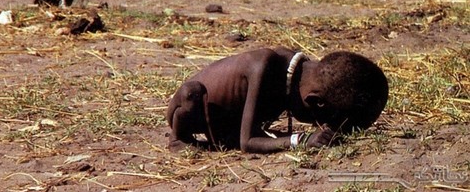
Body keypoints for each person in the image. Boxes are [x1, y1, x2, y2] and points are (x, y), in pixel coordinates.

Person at [166, 47, 389, 153]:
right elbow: (247, 143)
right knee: (190, 94)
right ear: (315, 102)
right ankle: (179, 140)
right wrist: (300, 140)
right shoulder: (263, 68)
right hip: (192, 110)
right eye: (322, 121)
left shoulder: (299, 73)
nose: (321, 126)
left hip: (227, 123)